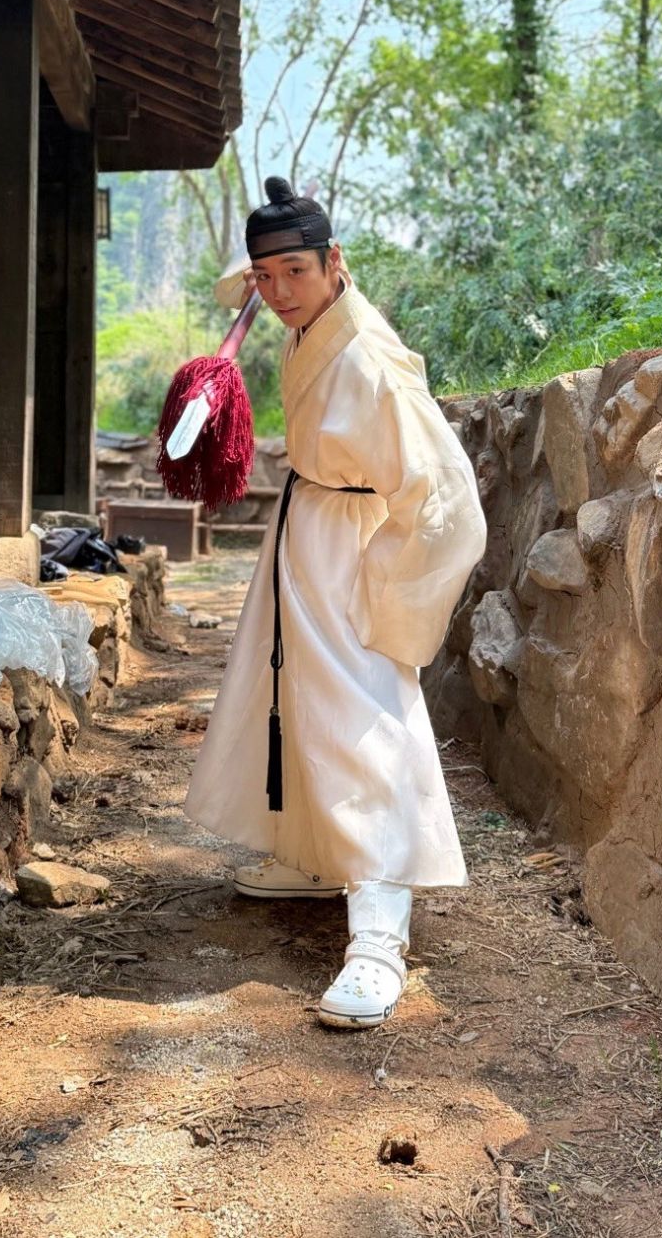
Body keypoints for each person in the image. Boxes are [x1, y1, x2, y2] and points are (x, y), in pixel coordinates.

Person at [184, 177, 487, 1029]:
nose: (276, 291)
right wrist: (255, 287)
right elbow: (252, 285)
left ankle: (380, 936)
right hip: (309, 527)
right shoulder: (309, 317)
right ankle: (320, 856)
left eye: (293, 272)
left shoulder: (369, 357)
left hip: (353, 543)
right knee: (292, 702)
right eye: (263, 277)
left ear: (335, 263)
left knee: (363, 722)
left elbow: (448, 496)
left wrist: (391, 588)